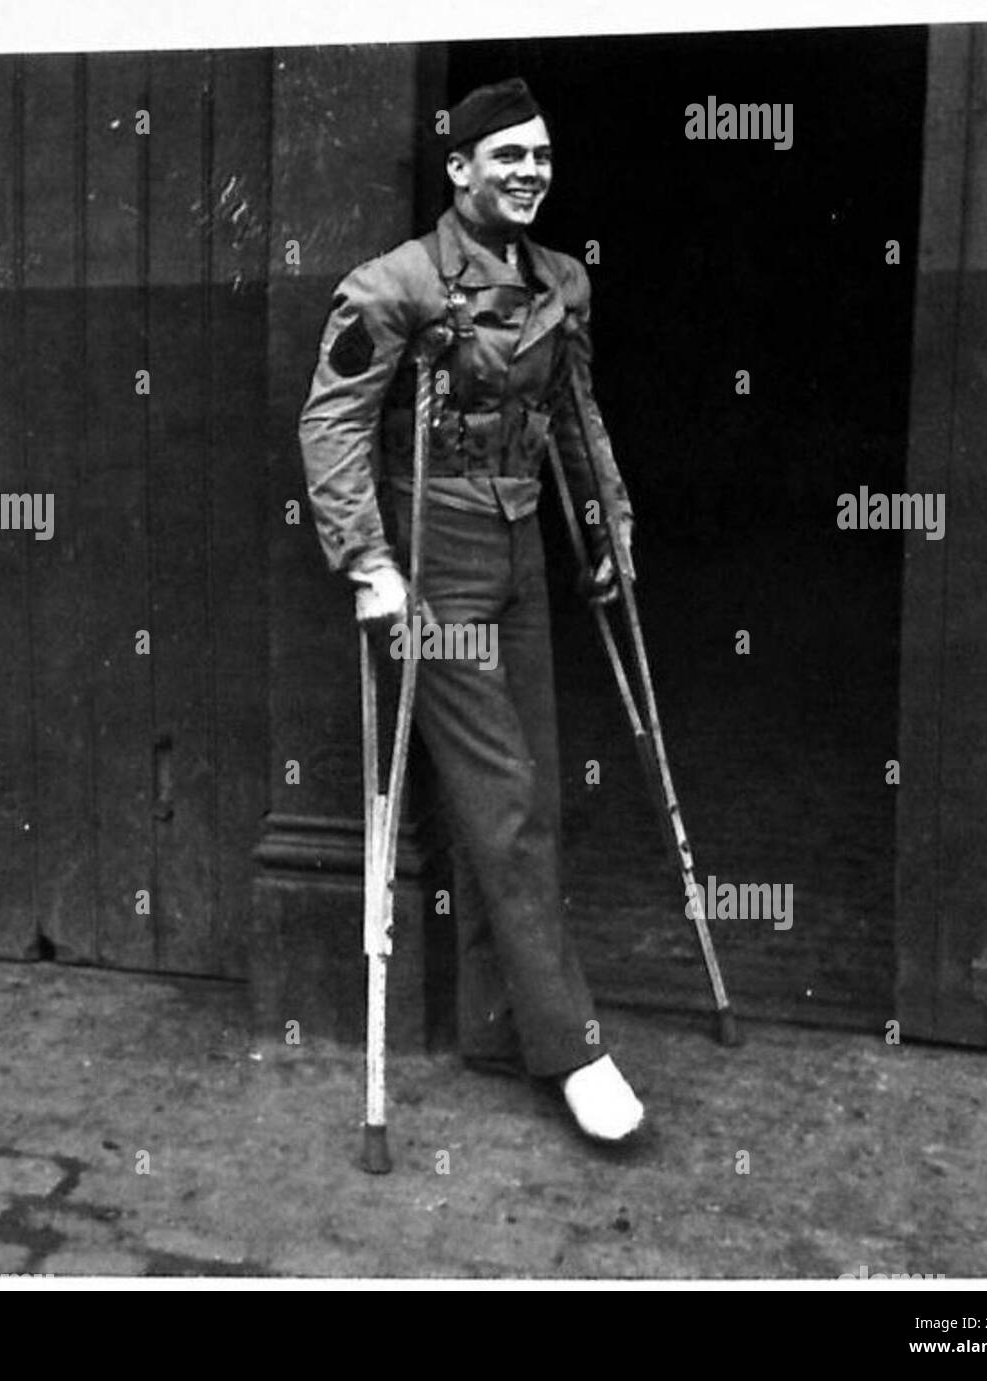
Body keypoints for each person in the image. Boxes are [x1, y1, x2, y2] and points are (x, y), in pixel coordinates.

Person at [298, 77, 644, 1141]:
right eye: (507, 158)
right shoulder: (394, 285)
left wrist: (605, 528)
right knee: (504, 801)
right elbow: (331, 427)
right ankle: (573, 1047)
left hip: (520, 540)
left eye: (541, 155)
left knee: (531, 781)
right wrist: (369, 563)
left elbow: (576, 414)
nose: (530, 172)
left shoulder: (562, 283)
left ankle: (501, 1023)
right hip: (434, 555)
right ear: (460, 170)